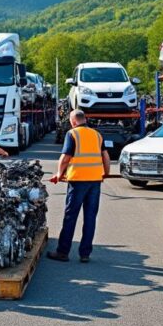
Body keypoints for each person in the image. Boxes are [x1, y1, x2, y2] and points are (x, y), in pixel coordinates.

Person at [47, 109, 109, 263]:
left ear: (73, 121)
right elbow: (105, 156)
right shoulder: (97, 134)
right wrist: (105, 173)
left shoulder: (72, 134)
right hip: (95, 181)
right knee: (90, 217)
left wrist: (59, 174)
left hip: (78, 181)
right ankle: (85, 254)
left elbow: (65, 157)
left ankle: (63, 252)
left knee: (70, 216)